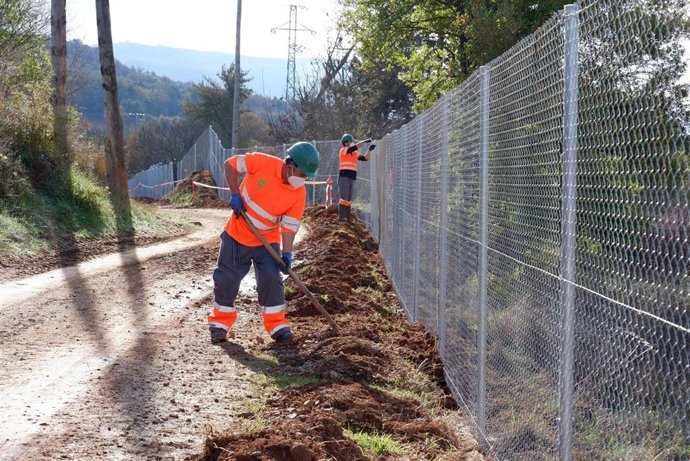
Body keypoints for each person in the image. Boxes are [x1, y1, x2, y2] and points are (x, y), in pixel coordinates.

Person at [207, 142, 320, 344]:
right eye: (302, 174)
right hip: (237, 234)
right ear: (290, 165)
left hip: (267, 240)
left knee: (271, 279)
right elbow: (230, 165)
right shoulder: (262, 162)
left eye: (305, 177)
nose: (302, 180)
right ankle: (220, 324)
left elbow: (290, 225)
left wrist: (286, 254)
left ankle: (278, 326)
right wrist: (234, 193)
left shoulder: (298, 193)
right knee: (226, 279)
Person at [338, 133, 375, 220]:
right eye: (351, 141)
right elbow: (355, 147)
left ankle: (347, 218)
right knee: (344, 198)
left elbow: (365, 158)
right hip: (344, 177)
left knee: (349, 199)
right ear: (346, 142)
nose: (352, 142)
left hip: (351, 177)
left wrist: (369, 150)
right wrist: (365, 142)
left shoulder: (354, 153)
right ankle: (341, 217)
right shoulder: (343, 150)